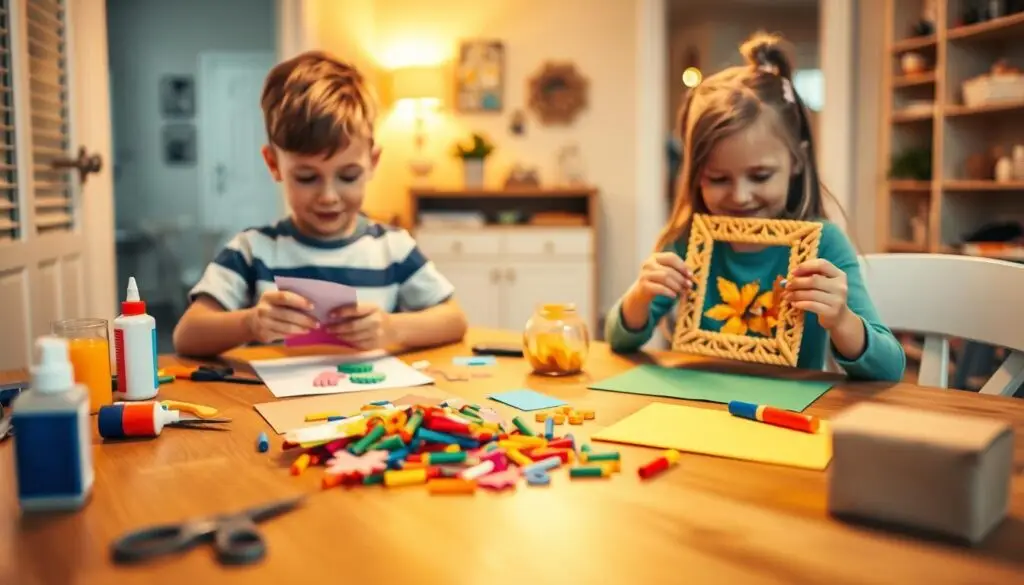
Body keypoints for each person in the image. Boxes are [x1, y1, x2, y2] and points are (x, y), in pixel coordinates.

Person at [604, 32, 905, 382]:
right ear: (695, 175)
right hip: (697, 410)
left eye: (760, 176)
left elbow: (890, 369)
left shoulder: (824, 244)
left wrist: (842, 321)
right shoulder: (687, 242)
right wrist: (641, 296)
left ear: (796, 161)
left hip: (789, 415)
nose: (740, 196)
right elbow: (618, 339)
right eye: (718, 178)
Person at [173, 51, 468, 357]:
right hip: (271, 402)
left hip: (370, 402)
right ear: (273, 164)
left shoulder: (393, 249)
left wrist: (392, 329)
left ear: (372, 162)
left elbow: (454, 320)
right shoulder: (252, 251)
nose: (329, 196)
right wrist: (250, 323)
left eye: (348, 176)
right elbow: (187, 334)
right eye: (306, 178)